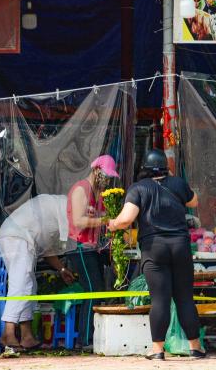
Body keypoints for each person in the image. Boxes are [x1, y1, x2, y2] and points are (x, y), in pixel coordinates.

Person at [108, 149, 205, 360]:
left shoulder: (138, 188)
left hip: (154, 248)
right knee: (185, 299)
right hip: (180, 246)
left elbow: (126, 219)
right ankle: (195, 347)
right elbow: (194, 201)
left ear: (144, 168)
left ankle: (158, 350)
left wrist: (112, 224)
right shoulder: (178, 184)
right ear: (165, 167)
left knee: (160, 300)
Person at [0, 194, 76, 350]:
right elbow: (73, 230)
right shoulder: (64, 205)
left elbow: (48, 251)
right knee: (21, 284)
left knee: (29, 286)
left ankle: (26, 336)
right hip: (17, 237)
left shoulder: (54, 214)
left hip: (17, 237)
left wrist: (61, 269)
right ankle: (8, 333)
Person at [66, 154, 119, 347]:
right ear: (96, 170)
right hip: (79, 247)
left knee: (98, 289)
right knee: (92, 290)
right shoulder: (81, 189)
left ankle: (91, 337)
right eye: (105, 174)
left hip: (91, 248)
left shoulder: (99, 193)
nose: (107, 179)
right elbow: (79, 222)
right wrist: (106, 221)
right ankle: (85, 339)